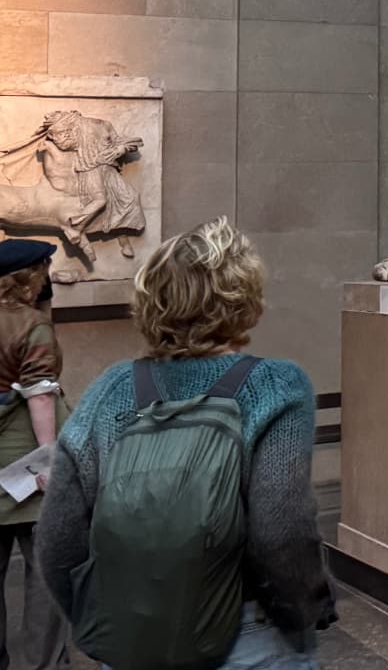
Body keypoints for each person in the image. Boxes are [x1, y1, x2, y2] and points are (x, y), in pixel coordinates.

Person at [37, 217, 334, 669]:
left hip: (131, 634)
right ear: (246, 299)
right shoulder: (276, 385)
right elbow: (281, 531)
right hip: (247, 632)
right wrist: (307, 609)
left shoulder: (109, 389)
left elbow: (58, 539)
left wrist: (102, 620)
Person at [0, 240, 67, 670]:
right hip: (25, 466)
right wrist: (50, 460)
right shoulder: (31, 326)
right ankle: (42, 665)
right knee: (46, 574)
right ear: (31, 276)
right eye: (44, 269)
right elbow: (40, 397)